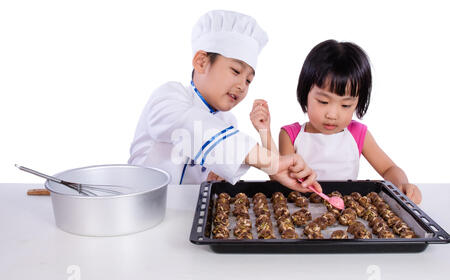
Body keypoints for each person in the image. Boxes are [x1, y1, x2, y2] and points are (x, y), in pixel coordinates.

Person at [128, 10, 320, 193]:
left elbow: (224, 157)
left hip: (190, 217)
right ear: (201, 62)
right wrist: (268, 160)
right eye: (236, 71)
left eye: (248, 80)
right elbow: (191, 126)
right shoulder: (169, 96)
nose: (242, 86)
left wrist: (216, 180)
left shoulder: (228, 123)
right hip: (143, 211)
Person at [250, 39, 421, 204]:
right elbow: (278, 174)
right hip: (299, 209)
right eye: (323, 102)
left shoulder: (358, 134)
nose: (333, 114)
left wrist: (402, 185)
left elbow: (388, 169)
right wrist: (264, 131)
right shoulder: (291, 134)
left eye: (346, 105)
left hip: (346, 213)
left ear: (357, 103)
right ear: (305, 94)